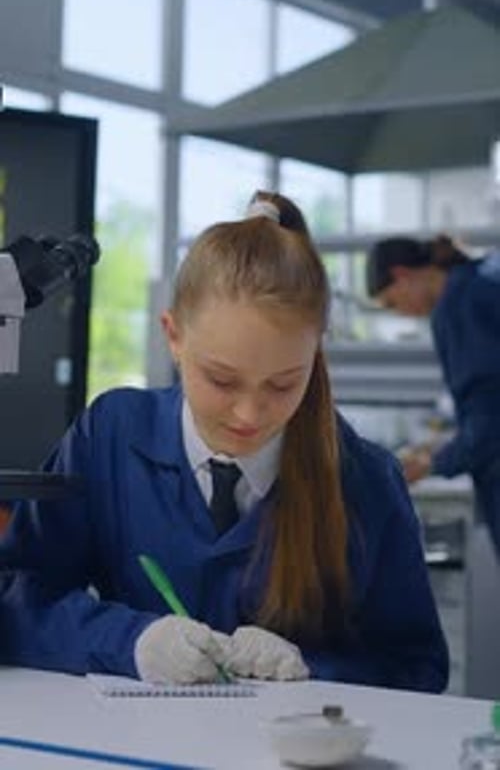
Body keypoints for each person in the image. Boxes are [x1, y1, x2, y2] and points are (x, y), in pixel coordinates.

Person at [0, 192, 448, 692]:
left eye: (283, 384)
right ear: (173, 336)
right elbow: (16, 600)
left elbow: (418, 668)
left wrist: (309, 670)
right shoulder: (111, 434)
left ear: (315, 355)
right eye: (222, 380)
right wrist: (132, 642)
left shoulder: (367, 479)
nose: (249, 414)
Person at [365, 233, 500, 559]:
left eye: (392, 303)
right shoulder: (481, 279)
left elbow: (489, 422)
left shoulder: (457, 308)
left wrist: (430, 464)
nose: (401, 314)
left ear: (401, 275)